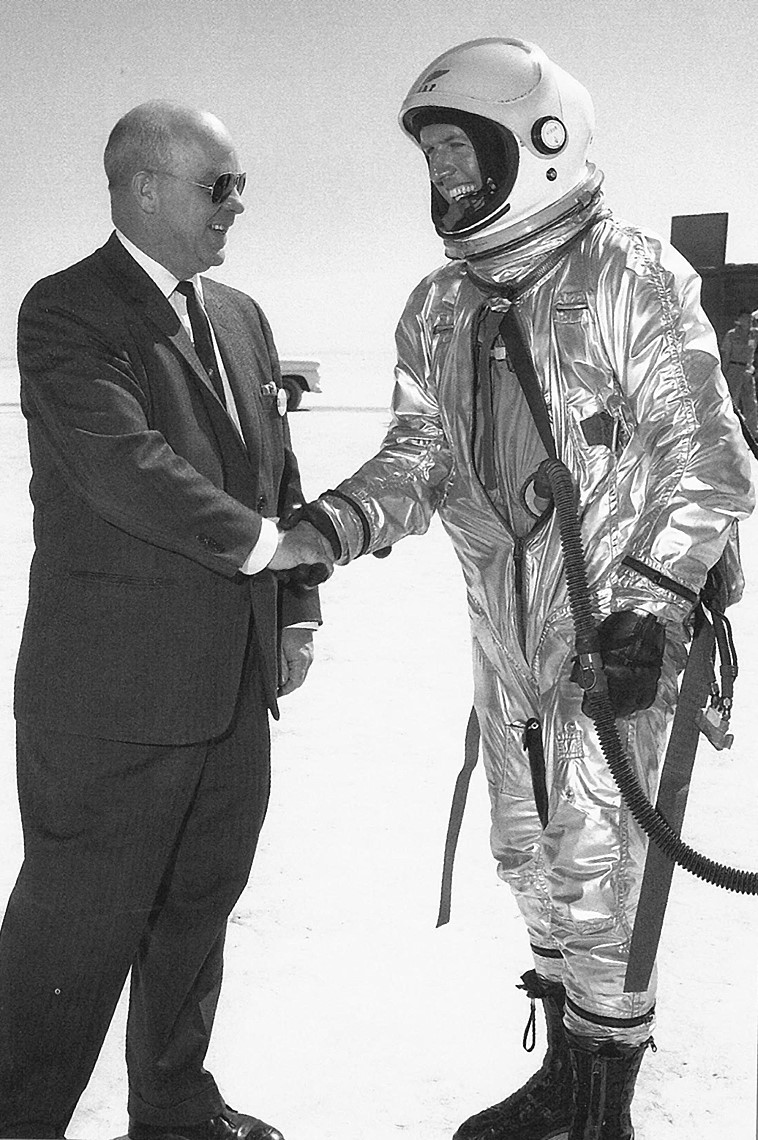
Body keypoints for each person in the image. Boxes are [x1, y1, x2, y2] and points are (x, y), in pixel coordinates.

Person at [286, 38, 754, 1140]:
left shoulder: (627, 276)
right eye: (435, 155)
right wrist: (331, 527)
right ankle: (562, 1078)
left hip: (611, 628)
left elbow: (706, 459)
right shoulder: (438, 309)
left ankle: (605, 1106)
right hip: (502, 620)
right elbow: (421, 455)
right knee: (523, 848)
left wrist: (648, 601)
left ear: (539, 147)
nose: (444, 174)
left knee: (597, 860)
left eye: (460, 149)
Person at [0, 100, 333, 1140]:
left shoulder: (239, 316)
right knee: (71, 940)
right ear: (144, 188)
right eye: (218, 184)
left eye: (237, 184)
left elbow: (273, 474)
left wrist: (294, 606)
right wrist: (261, 549)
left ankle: (176, 1109)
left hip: (230, 689)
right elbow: (121, 465)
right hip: (110, 706)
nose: (237, 204)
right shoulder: (66, 312)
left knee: (196, 911)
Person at [720, 307, 758, 436]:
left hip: (747, 370)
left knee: (751, 403)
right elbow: (726, 356)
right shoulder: (732, 335)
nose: (748, 321)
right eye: (745, 318)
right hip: (734, 368)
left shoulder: (754, 334)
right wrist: (723, 375)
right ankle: (730, 431)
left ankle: (753, 433)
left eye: (749, 319)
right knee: (732, 402)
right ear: (739, 320)